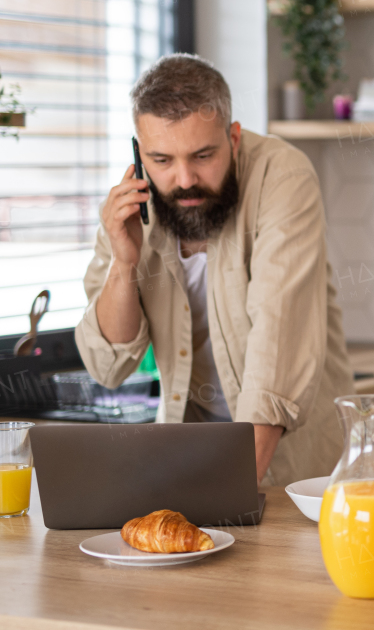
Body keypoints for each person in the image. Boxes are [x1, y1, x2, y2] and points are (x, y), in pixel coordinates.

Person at [75, 54, 354, 487]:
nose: (184, 179)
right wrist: (123, 262)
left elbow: (274, 353)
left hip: (295, 475)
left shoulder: (283, 177)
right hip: (189, 464)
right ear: (139, 151)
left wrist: (227, 500)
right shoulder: (131, 205)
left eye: (203, 155)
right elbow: (106, 365)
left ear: (234, 138)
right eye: (162, 160)